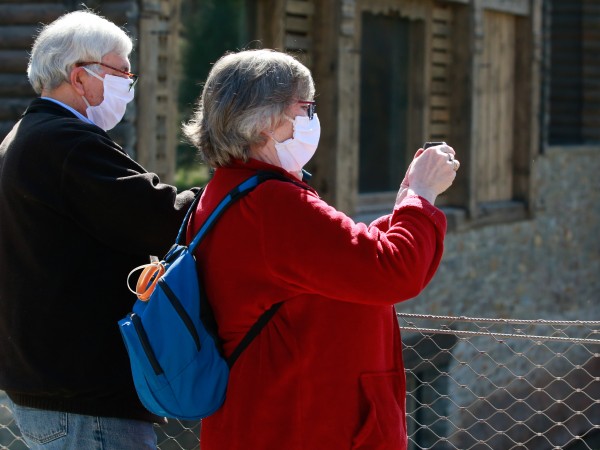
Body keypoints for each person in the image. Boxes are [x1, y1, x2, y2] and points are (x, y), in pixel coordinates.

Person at [182, 48, 459, 450]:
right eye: (306, 107)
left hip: (273, 420)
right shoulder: (273, 204)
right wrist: (421, 194)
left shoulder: (234, 192)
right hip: (302, 427)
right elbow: (394, 271)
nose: (313, 119)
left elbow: (341, 259)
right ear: (267, 122)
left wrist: (404, 204)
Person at [0, 10, 198, 449]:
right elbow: (160, 216)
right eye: (120, 71)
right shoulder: (65, 142)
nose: (130, 81)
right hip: (82, 399)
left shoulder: (30, 134)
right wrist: (235, 195)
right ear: (79, 76)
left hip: (51, 386)